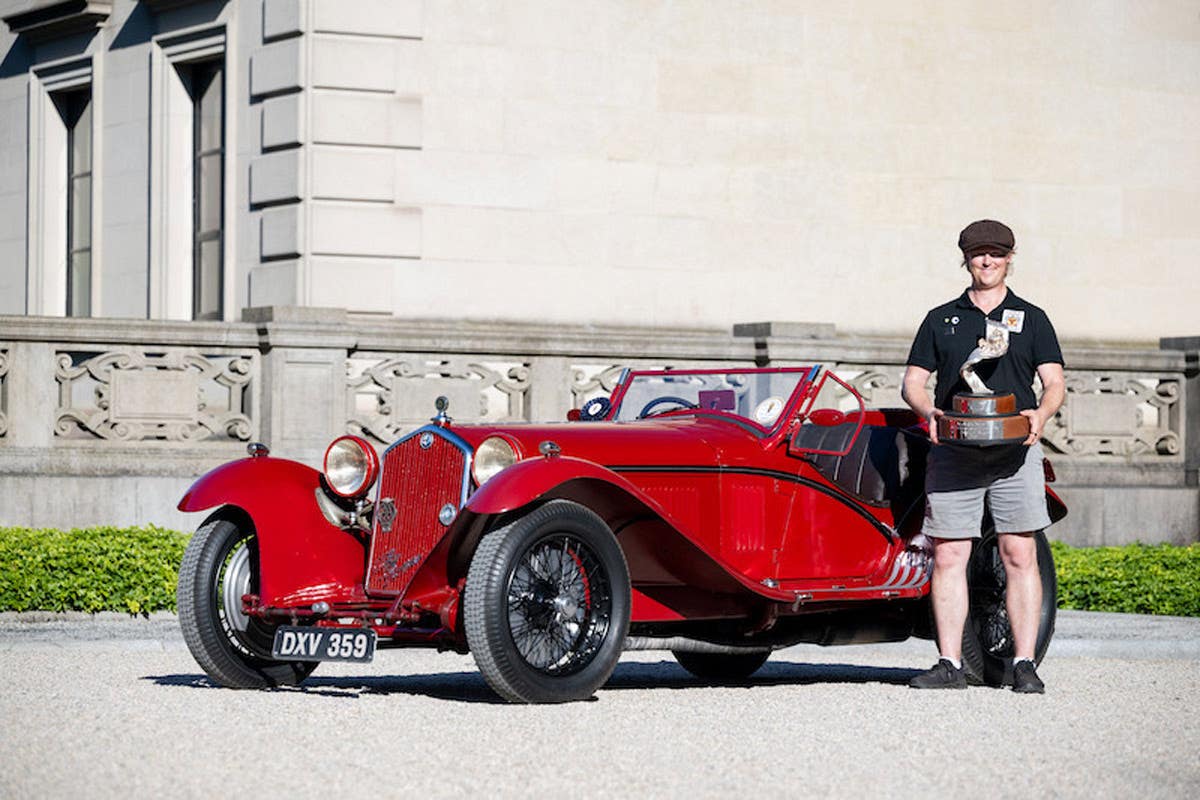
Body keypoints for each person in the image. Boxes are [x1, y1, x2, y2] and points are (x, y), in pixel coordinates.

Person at [901, 219, 1066, 693]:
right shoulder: (941, 318)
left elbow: (1053, 382)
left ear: (1010, 258)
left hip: (1015, 452)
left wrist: (1042, 413)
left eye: (996, 253)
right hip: (954, 453)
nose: (987, 261)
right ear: (966, 259)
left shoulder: (1031, 318)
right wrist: (926, 409)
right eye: (978, 254)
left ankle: (1023, 663)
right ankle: (950, 664)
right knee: (950, 554)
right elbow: (914, 380)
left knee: (1019, 553)